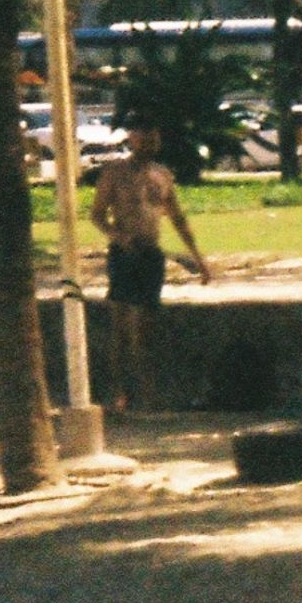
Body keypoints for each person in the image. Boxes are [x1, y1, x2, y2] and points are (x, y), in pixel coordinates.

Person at [86, 123, 211, 412]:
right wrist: (118, 236)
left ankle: (147, 393)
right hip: (124, 253)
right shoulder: (114, 174)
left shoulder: (162, 175)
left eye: (152, 138)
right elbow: (97, 215)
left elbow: (178, 218)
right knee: (121, 327)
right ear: (131, 137)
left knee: (146, 328)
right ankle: (118, 391)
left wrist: (199, 260)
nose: (147, 142)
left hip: (151, 254)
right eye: (142, 136)